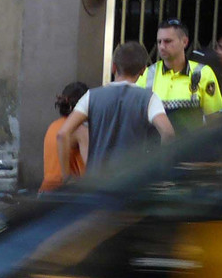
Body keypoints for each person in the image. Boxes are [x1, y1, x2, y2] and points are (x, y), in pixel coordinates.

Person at [58, 41, 174, 180]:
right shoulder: (149, 98)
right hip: (132, 184)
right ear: (143, 70)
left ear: (113, 67)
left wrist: (66, 177)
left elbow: (62, 134)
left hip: (97, 184)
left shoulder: (91, 96)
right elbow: (168, 133)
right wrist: (162, 172)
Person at [136, 19, 222, 133]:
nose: (162, 46)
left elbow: (214, 118)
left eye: (168, 41)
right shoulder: (148, 74)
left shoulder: (203, 73)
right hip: (156, 148)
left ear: (185, 42)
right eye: (159, 42)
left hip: (191, 147)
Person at [39, 81, 90, 191]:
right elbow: (91, 168)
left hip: (46, 191)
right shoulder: (80, 130)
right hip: (67, 195)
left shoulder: (53, 126)